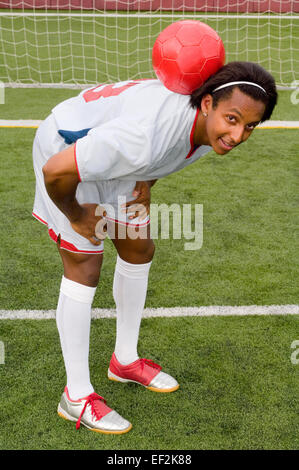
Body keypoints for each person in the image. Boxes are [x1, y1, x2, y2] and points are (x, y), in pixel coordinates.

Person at [32, 61, 277, 434]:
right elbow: (56, 171)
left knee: (138, 250)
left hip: (121, 157)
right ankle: (76, 396)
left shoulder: (208, 128)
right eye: (233, 119)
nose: (238, 135)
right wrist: (76, 213)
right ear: (207, 103)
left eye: (250, 127)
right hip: (67, 150)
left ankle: (124, 361)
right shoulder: (143, 139)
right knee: (84, 265)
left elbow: (172, 149)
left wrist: (147, 178)